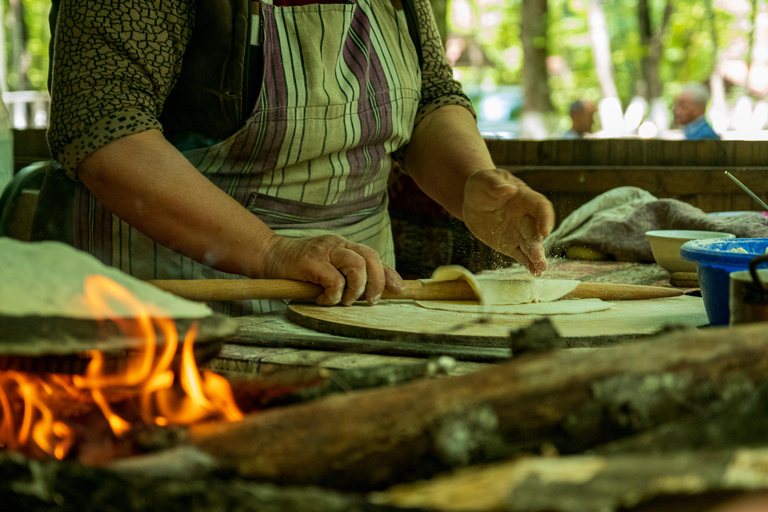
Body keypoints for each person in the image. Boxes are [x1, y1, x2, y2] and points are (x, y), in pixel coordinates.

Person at [35, 0, 555, 315]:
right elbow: (106, 135)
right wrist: (271, 250)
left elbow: (430, 98)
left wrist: (470, 180)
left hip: (356, 307)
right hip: (166, 316)